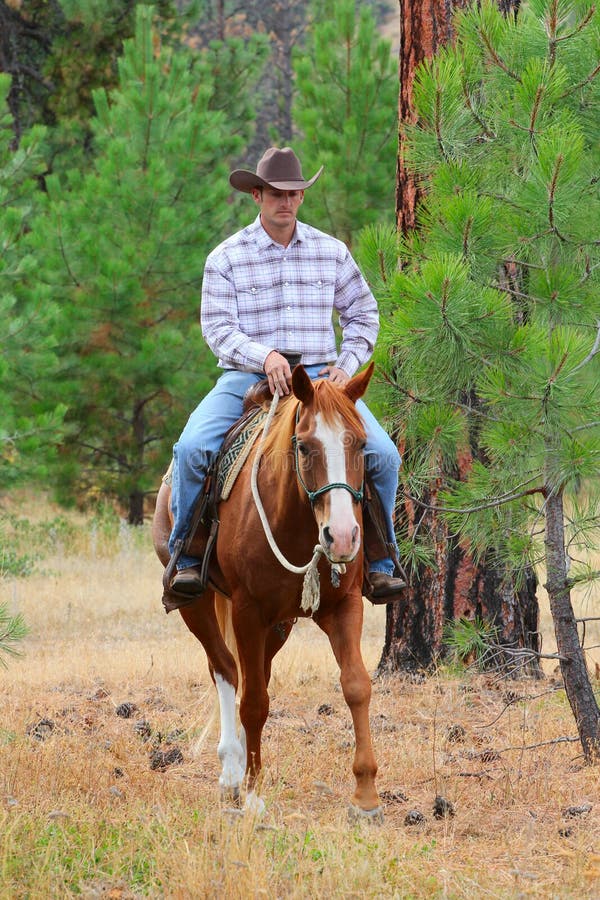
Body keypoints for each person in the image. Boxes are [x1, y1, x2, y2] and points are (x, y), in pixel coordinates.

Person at [168, 147, 404, 600]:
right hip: (247, 377)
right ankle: (189, 556)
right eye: (276, 193)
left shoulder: (330, 252)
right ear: (257, 194)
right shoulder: (227, 257)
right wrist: (265, 356)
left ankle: (379, 559)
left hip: (320, 381)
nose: (286, 202)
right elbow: (217, 328)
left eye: (294, 193)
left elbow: (364, 313)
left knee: (385, 457)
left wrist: (345, 367)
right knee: (193, 448)